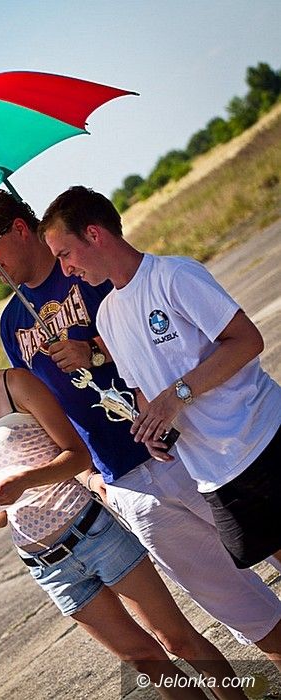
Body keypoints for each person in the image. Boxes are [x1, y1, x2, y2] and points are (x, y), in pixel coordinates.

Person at [0, 189, 281, 670]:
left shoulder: (92, 271)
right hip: (124, 479)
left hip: (189, 450)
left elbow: (147, 328)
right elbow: (43, 410)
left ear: (20, 229)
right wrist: (89, 476)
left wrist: (89, 351)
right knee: (233, 603)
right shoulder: (12, 324)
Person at [0, 320, 245, 698]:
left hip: (93, 532)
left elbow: (77, 455)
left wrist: (26, 480)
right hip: (47, 566)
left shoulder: (16, 384)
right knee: (144, 660)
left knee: (176, 640)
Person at [39, 185, 281, 573]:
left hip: (263, 437)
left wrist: (177, 395)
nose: (66, 270)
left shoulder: (173, 275)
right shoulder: (107, 316)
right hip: (214, 473)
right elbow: (142, 389)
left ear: (94, 234)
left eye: (65, 254)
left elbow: (247, 340)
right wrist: (150, 426)